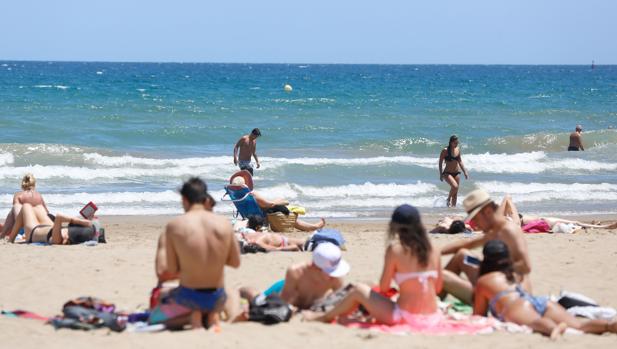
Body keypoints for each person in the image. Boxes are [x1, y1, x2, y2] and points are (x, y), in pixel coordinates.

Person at [304, 205, 442, 324]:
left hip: (405, 315)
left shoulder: (396, 249)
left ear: (394, 226)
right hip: (433, 315)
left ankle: (323, 317)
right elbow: (438, 287)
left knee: (358, 290)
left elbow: (384, 287)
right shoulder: (433, 248)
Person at [148, 177, 241, 330]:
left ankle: (195, 316)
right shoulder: (224, 223)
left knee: (153, 319)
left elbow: (171, 269)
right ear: (205, 198)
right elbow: (235, 263)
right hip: (217, 296)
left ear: (184, 199)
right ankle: (212, 315)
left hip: (188, 297)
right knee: (231, 290)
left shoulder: (175, 226)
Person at [474, 240, 617, 338]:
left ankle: (553, 328)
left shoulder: (484, 280)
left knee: (534, 322)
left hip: (517, 307)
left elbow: (479, 315)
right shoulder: (517, 274)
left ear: (486, 260)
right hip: (540, 301)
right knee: (579, 325)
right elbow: (528, 295)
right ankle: (609, 326)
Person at [440, 189, 531, 304]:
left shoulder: (509, 230)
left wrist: (491, 268)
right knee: (462, 255)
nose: (476, 225)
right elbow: (468, 244)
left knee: (442, 276)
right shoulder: (494, 230)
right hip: (496, 282)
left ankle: (433, 302)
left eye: (475, 219)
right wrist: (437, 252)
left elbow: (526, 266)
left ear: (488, 211)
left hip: (507, 295)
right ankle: (436, 299)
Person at [231, 176, 326, 231]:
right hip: (263, 216)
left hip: (249, 217)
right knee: (290, 217)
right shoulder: (251, 194)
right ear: (245, 184)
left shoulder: (236, 196)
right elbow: (269, 204)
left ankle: (314, 227)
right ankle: (314, 227)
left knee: (288, 215)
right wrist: (283, 201)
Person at [498, 195, 617, 230]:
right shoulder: (508, 221)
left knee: (574, 223)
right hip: (546, 222)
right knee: (575, 222)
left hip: (544, 220)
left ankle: (599, 226)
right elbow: (517, 225)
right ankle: (606, 227)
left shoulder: (505, 217)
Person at [5, 203, 95, 244]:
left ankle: (11, 239)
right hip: (47, 226)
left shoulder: (57, 239)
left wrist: (77, 220)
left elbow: (59, 217)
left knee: (26, 206)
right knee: (39, 206)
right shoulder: (64, 233)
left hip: (33, 232)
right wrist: (88, 220)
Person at [1, 173, 49, 238]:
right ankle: (4, 231)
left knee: (12, 211)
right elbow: (47, 213)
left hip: (22, 228)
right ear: (34, 184)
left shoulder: (18, 195)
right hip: (37, 225)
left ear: (22, 184)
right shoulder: (39, 196)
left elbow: (16, 216)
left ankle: (2, 234)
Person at [237, 215, 306, 252]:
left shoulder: (245, 234)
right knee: (305, 243)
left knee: (305, 243)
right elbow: (294, 247)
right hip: (283, 241)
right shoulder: (256, 241)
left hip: (282, 240)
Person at [438, 135, 469, 207]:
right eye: (455, 143)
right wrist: (440, 174)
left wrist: (465, 171)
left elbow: (460, 161)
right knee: (455, 186)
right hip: (447, 173)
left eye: (457, 142)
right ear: (451, 142)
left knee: (455, 194)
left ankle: (452, 210)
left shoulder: (457, 149)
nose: (457, 144)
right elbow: (440, 162)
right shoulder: (445, 150)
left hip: (456, 173)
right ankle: (448, 199)